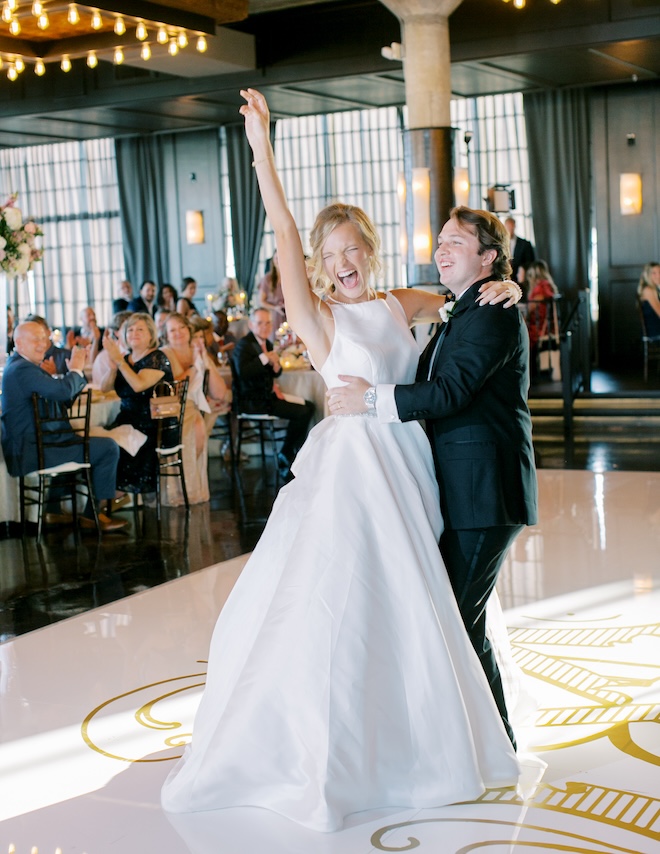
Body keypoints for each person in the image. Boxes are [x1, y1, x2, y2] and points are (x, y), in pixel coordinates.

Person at [161, 88, 527, 832]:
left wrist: (504, 281)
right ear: (320, 268)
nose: (344, 261)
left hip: (415, 469)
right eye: (332, 256)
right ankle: (349, 754)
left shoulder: (402, 301)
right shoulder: (316, 314)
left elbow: (463, 301)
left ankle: (432, 737)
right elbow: (285, 227)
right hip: (354, 477)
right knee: (351, 612)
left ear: (369, 247)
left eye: (353, 247)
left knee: (424, 614)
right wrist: (263, 150)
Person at [333, 205, 538, 750]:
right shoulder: (466, 306)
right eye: (440, 240)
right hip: (461, 490)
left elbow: (450, 394)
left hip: (486, 492)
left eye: (455, 243)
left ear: (488, 258)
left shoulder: (492, 311)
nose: (440, 250)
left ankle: (496, 742)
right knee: (456, 616)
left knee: (458, 619)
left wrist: (367, 399)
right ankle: (473, 738)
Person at [1, 320, 127, 532]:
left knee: (77, 442)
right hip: (33, 451)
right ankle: (93, 515)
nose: (44, 344)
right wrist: (76, 370)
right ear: (19, 343)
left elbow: (60, 400)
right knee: (107, 448)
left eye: (45, 338)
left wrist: (72, 374)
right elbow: (61, 393)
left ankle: (53, 511)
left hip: (37, 446)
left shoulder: (23, 366)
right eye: (36, 339)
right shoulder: (22, 369)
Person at [231, 307, 314, 480]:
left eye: (268, 322)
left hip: (267, 397)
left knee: (310, 406)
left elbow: (272, 372)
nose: (264, 326)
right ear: (251, 324)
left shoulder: (266, 344)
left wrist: (276, 368)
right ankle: (288, 452)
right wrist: (265, 358)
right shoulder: (244, 345)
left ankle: (290, 451)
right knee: (303, 412)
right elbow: (243, 372)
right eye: (260, 323)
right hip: (253, 401)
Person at [102, 312, 173, 500]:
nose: (134, 333)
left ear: (151, 334)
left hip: (152, 426)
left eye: (140, 329)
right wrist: (113, 366)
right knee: (98, 441)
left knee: (110, 446)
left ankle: (101, 505)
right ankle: (102, 504)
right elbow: (104, 388)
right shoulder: (125, 360)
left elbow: (138, 384)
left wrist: (119, 360)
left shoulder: (157, 358)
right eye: (130, 329)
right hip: (126, 421)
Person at [160, 312, 229, 504]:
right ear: (166, 334)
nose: (178, 333)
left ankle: (189, 487)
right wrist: (192, 365)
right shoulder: (165, 354)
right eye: (172, 330)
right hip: (170, 409)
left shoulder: (197, 352)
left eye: (181, 327)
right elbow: (176, 389)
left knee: (198, 424)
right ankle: (179, 490)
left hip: (192, 408)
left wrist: (205, 360)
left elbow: (220, 392)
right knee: (195, 425)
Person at [525, 260, 559, 378]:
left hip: (538, 327)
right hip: (548, 326)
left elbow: (530, 310)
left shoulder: (540, 289)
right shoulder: (548, 286)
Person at [257, 250, 285, 338]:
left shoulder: (290, 277)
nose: (278, 260)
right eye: (276, 258)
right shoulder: (267, 279)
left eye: (280, 258)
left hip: (290, 314)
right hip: (274, 316)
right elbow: (261, 301)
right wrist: (275, 308)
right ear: (273, 260)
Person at [505, 216, 535, 293]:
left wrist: (522, 268)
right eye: (507, 227)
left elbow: (530, 261)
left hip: (521, 280)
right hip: (506, 280)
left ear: (514, 226)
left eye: (511, 227)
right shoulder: (501, 245)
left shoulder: (525, 244)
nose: (509, 229)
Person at [637, 261, 660, 338]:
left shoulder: (655, 289)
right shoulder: (648, 290)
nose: (658, 276)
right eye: (654, 273)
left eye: (659, 272)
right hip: (654, 332)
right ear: (647, 275)